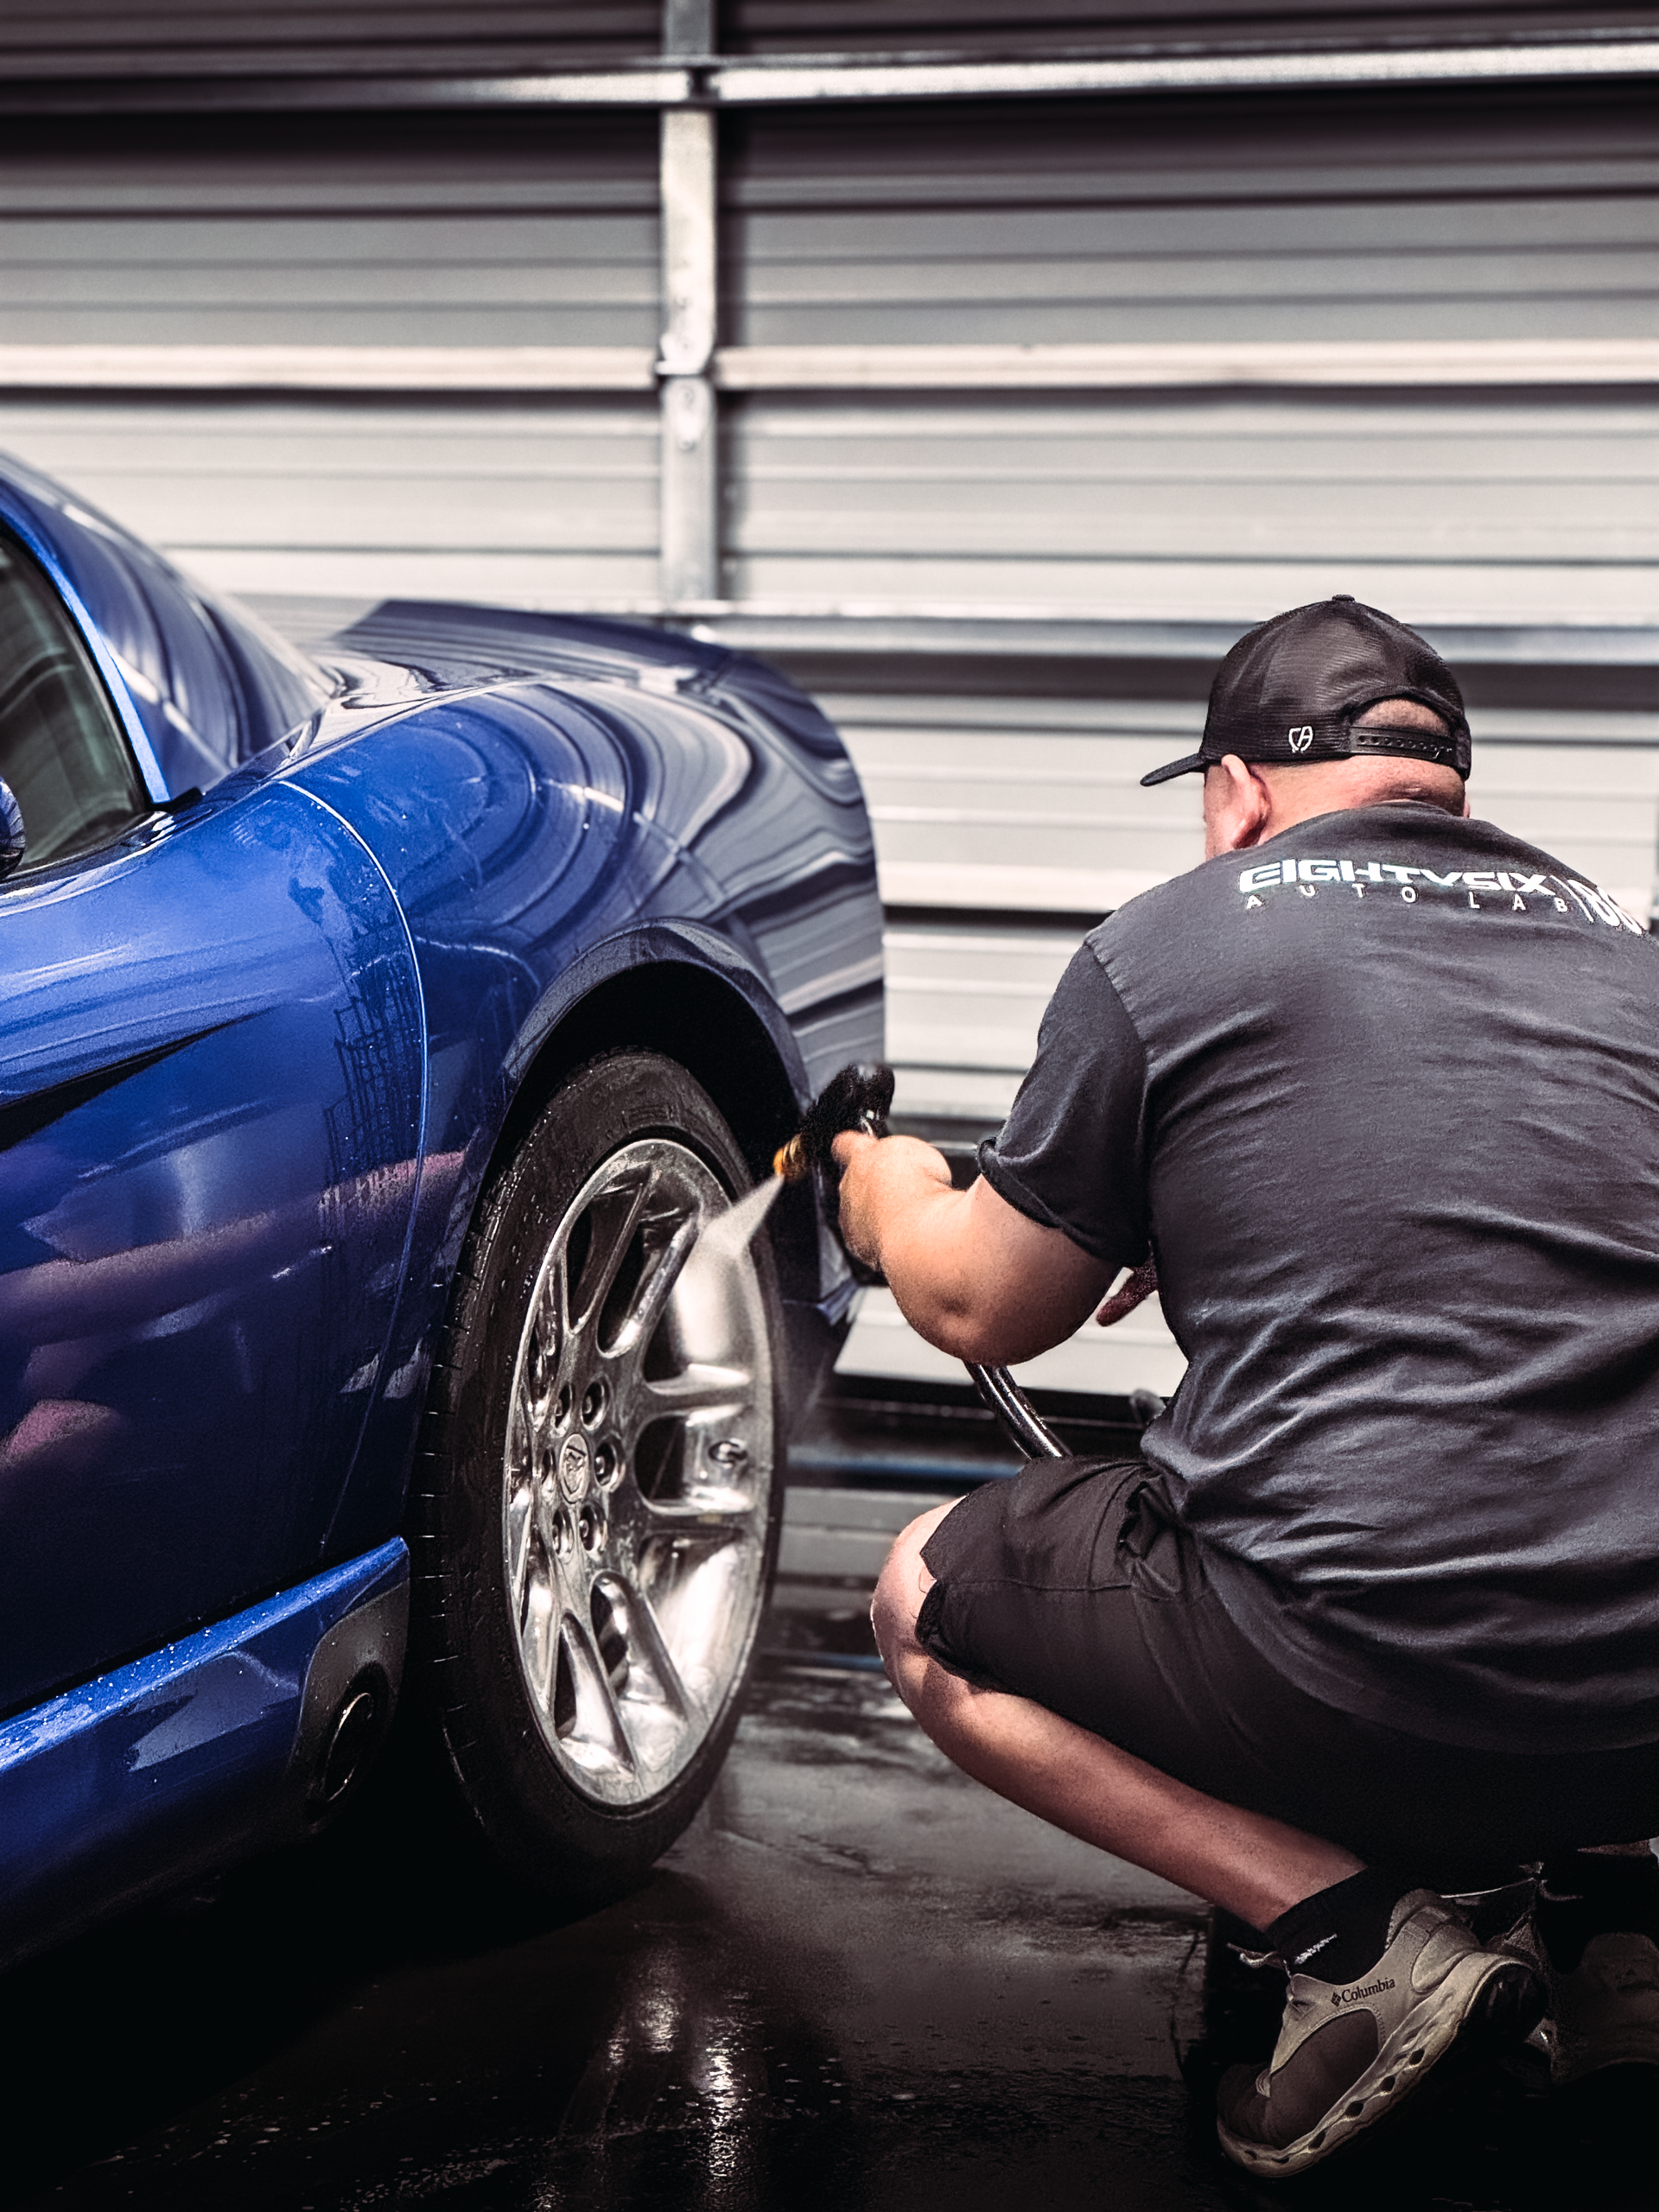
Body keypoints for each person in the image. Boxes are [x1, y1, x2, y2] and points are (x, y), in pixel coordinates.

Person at [832, 596, 1659, 2178]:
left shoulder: (1176, 940)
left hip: (1360, 1678)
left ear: (1237, 792)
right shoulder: (1627, 944)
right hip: (1640, 1692)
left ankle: (1349, 1944)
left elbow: (971, 1304)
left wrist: (883, 1184)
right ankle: (1618, 1927)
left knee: (921, 1592)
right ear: (1447, 785)